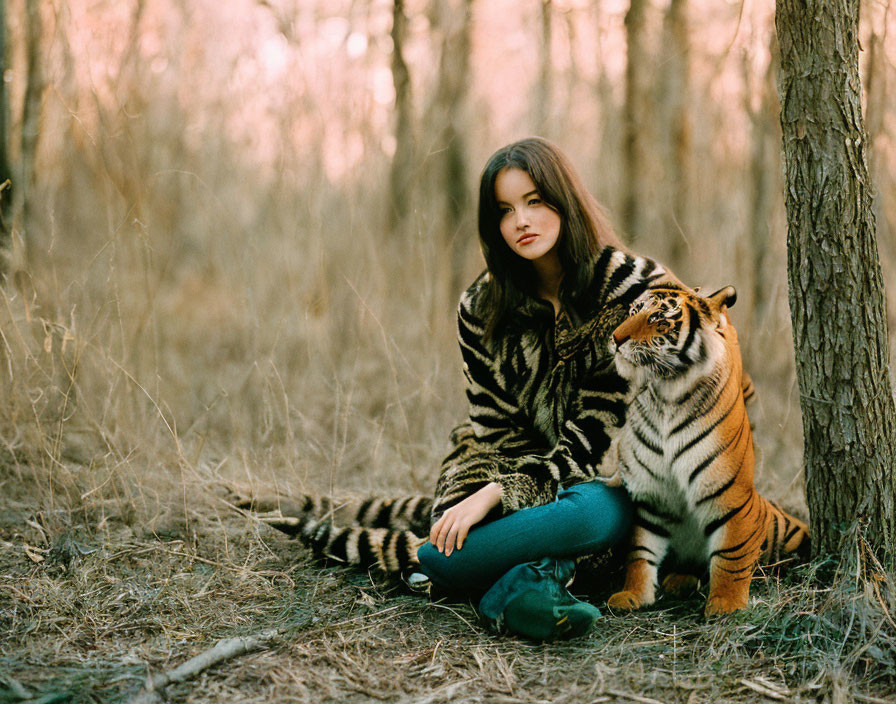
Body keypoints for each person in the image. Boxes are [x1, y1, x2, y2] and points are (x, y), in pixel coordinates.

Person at [413, 137, 677, 640]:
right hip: (516, 467)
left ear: (564, 199)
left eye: (535, 201)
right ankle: (527, 589)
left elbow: (598, 439)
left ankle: (505, 579)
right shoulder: (480, 307)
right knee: (442, 543)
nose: (522, 221)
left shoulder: (626, 288)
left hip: (607, 480)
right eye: (505, 210)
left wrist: (503, 495)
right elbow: (496, 433)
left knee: (593, 514)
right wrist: (490, 491)